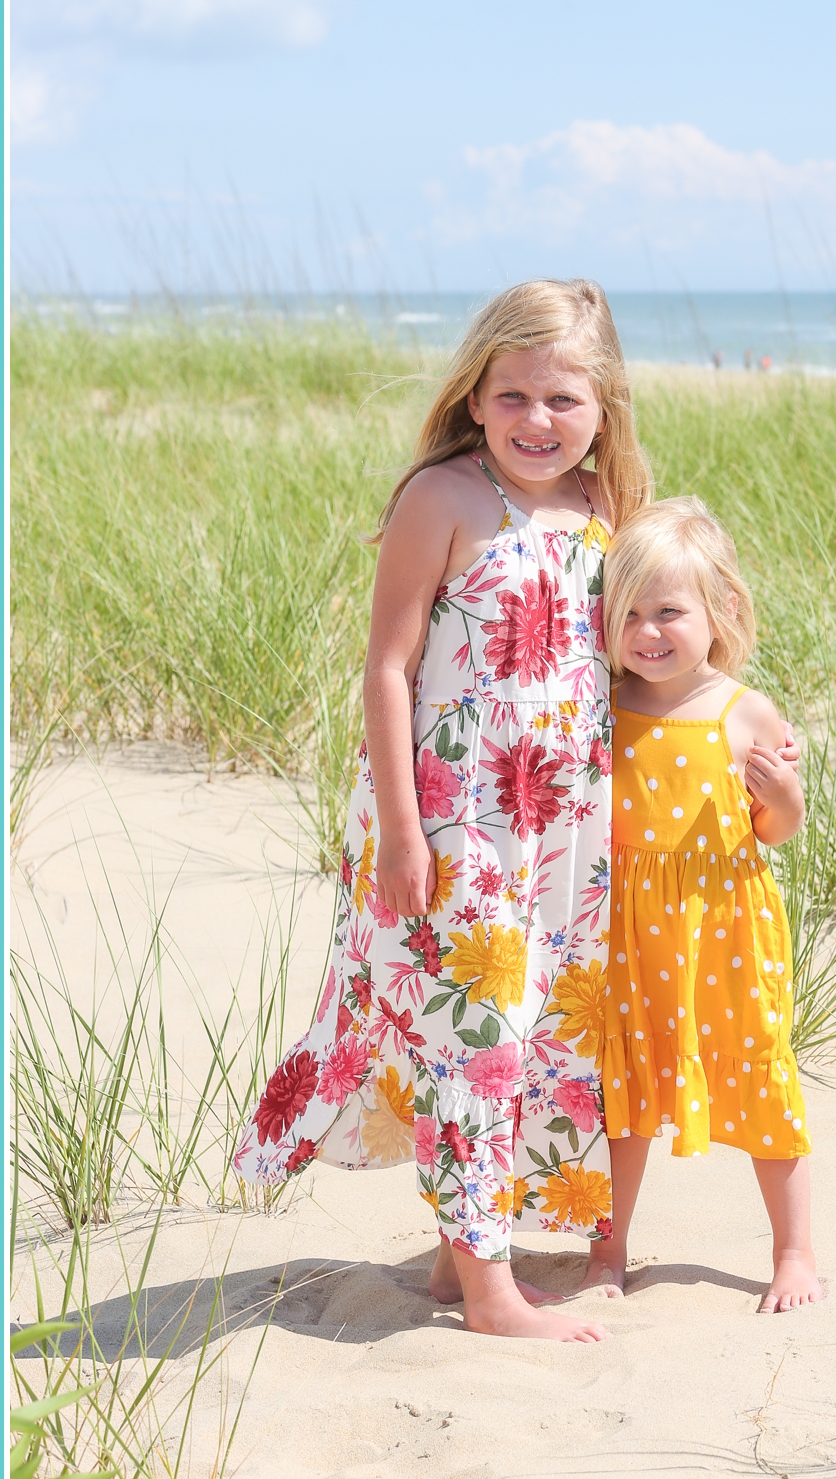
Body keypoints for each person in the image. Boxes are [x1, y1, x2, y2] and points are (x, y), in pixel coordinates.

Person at [232, 279, 653, 1343]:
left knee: (548, 1029)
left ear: (605, 406)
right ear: (475, 396)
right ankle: (491, 1293)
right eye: (512, 397)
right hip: (456, 820)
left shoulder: (606, 510)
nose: (537, 422)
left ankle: (465, 1249)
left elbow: (624, 665)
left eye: (563, 400)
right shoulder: (444, 499)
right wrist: (405, 836)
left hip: (564, 832)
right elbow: (387, 669)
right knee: (476, 1038)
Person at [597, 497, 821, 1313]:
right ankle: (608, 1246)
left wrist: (784, 792)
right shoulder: (605, 701)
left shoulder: (743, 709)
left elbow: (775, 832)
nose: (647, 632)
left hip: (725, 925)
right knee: (626, 1090)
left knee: (757, 1069)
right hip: (631, 931)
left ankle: (793, 1252)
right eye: (628, 615)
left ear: (720, 610)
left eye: (669, 612)